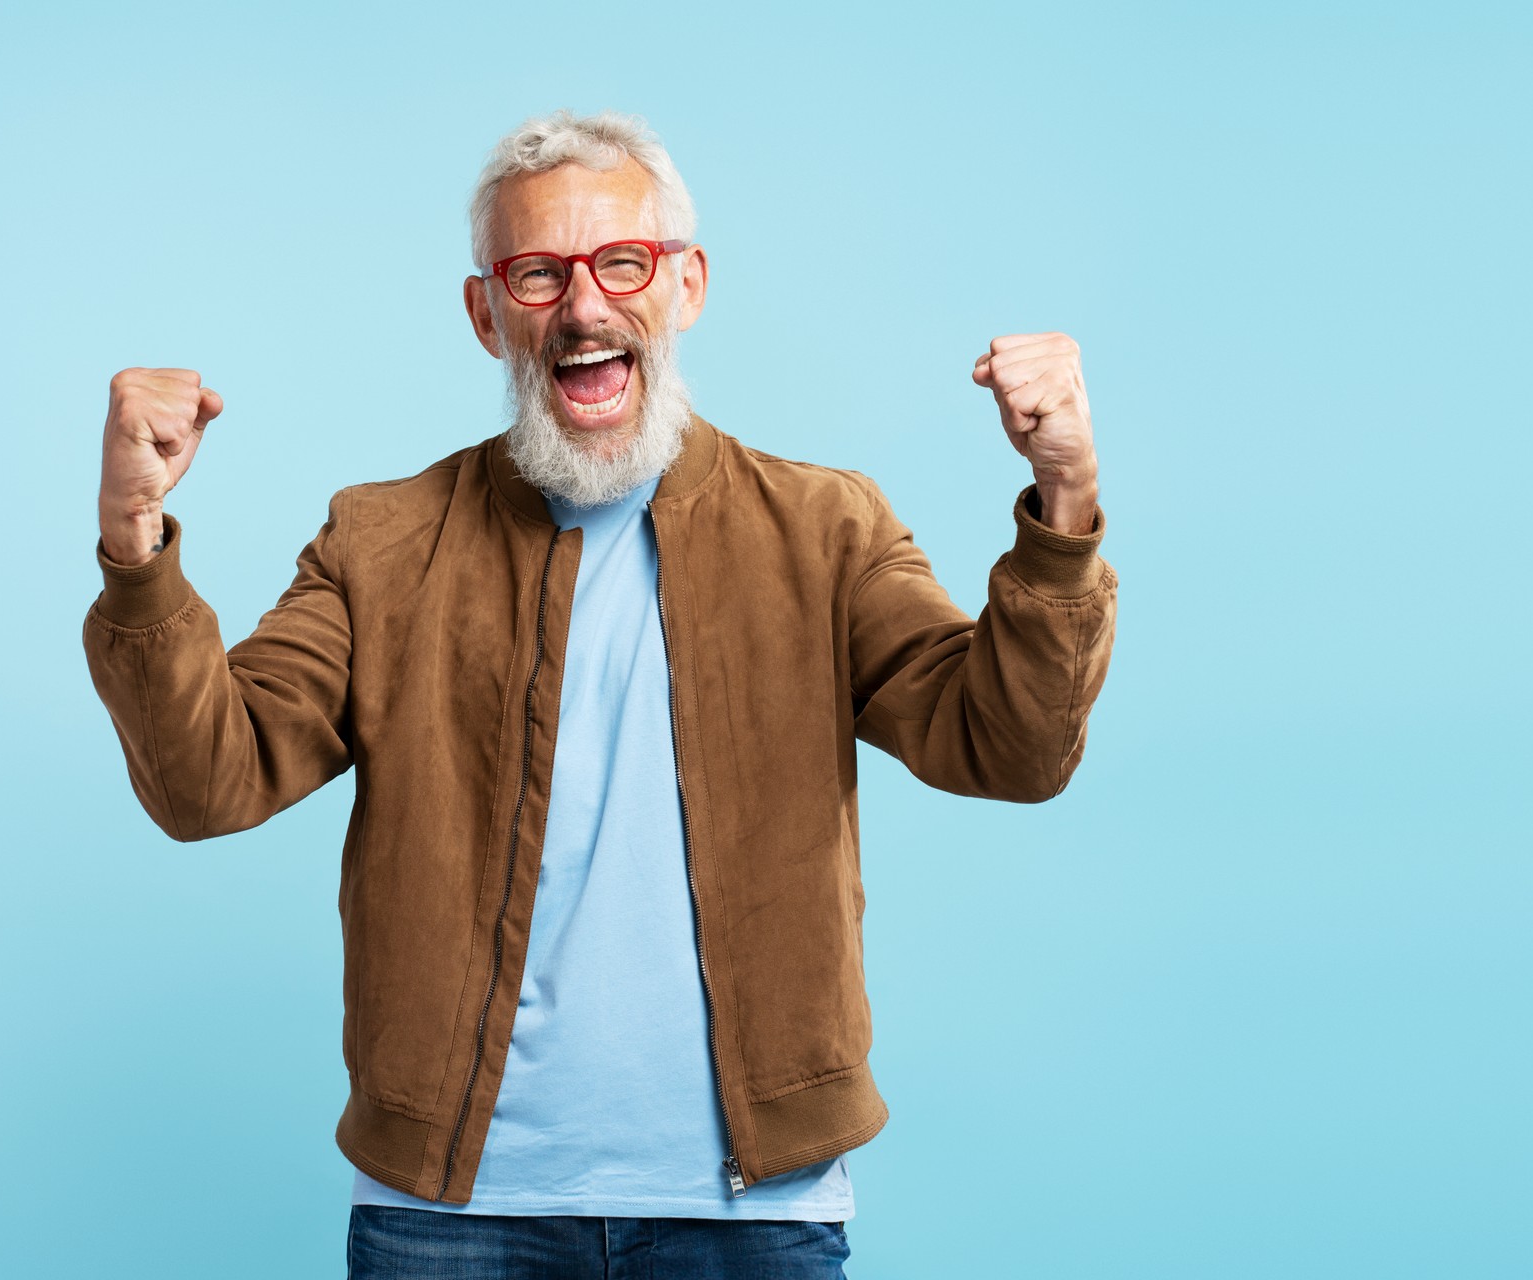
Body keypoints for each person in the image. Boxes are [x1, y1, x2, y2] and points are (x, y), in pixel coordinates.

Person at [83, 109, 1116, 1279]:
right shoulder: (381, 542)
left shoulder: (827, 529)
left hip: (756, 1214)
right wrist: (136, 539)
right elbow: (205, 779)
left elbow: (1012, 749)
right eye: (537, 274)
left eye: (620, 262)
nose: (584, 308)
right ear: (486, 313)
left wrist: (1064, 504)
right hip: (450, 1217)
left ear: (685, 283)